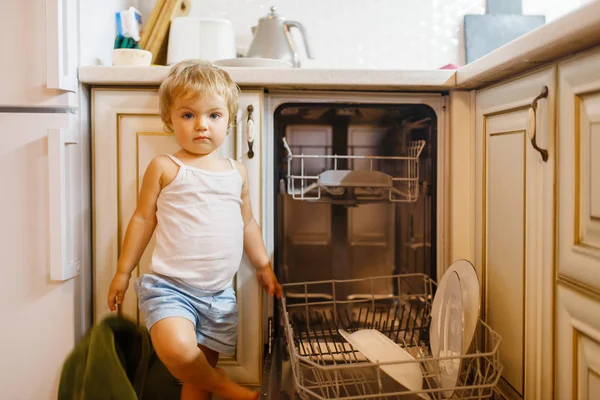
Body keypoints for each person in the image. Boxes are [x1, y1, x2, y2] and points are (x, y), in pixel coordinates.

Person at [106, 59, 282, 400]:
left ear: (229, 121)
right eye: (188, 115)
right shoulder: (165, 167)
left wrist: (262, 266)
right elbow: (142, 219)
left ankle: (213, 385)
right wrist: (122, 272)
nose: (201, 125)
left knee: (195, 382)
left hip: (219, 297)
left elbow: (247, 222)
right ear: (169, 120)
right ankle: (228, 388)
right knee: (178, 353)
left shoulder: (236, 172)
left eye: (213, 116)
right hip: (170, 289)